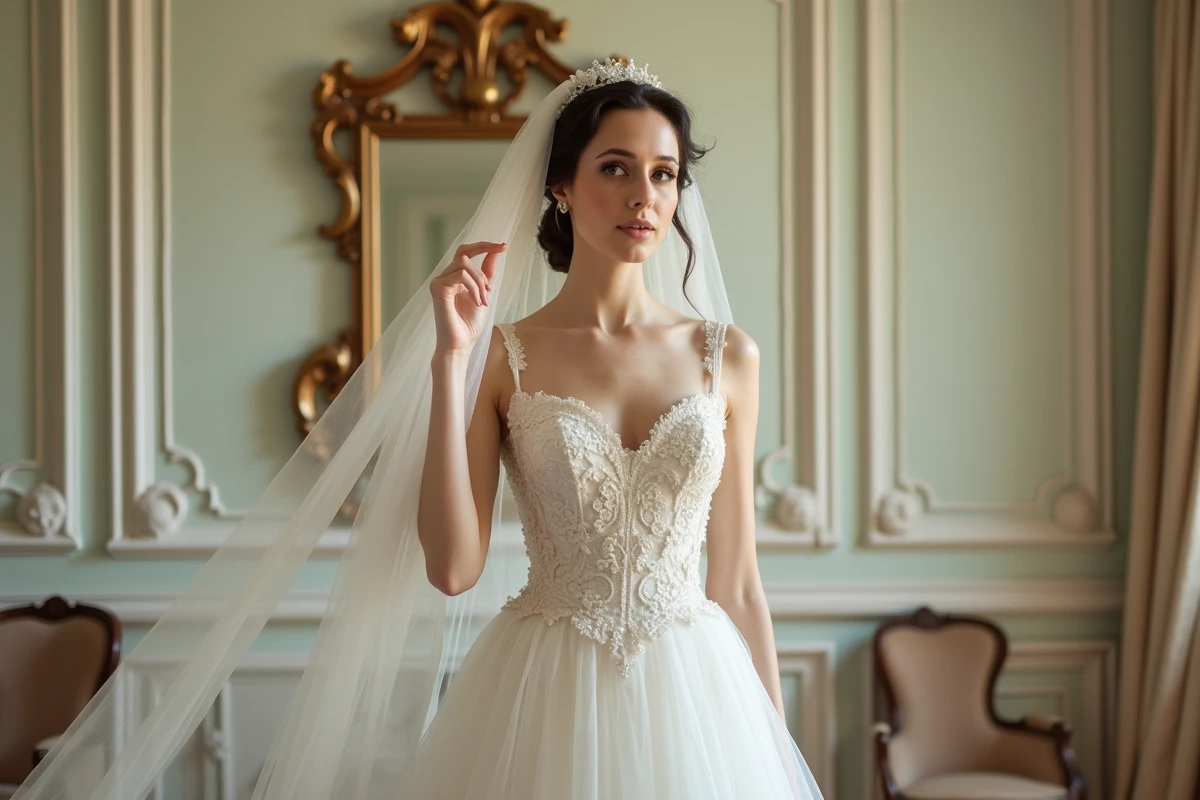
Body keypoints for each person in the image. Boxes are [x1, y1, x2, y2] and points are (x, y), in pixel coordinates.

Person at [15, 59, 823, 800]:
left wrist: (774, 747)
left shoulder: (728, 357)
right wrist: (451, 364)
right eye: (615, 168)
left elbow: (739, 583)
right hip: (544, 689)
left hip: (699, 697)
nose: (644, 196)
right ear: (562, 188)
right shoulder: (503, 358)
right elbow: (452, 568)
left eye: (664, 174)